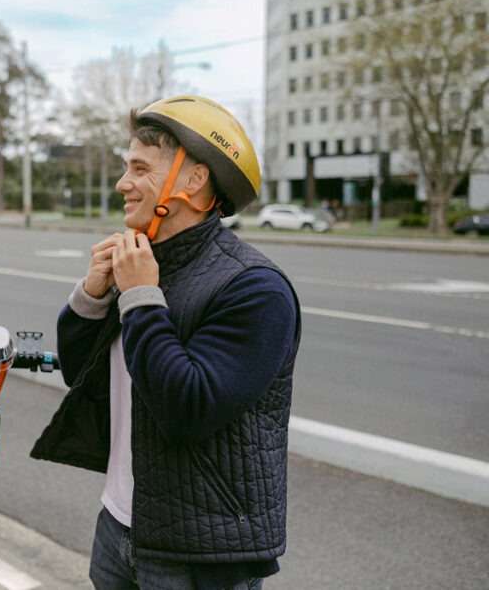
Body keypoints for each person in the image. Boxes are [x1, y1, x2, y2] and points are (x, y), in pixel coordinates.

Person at [32, 95, 301, 589]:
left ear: (194, 180)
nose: (122, 183)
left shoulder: (255, 288)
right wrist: (93, 297)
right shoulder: (147, 261)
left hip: (201, 553)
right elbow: (80, 374)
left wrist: (139, 296)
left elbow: (187, 409)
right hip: (119, 528)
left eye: (139, 168)